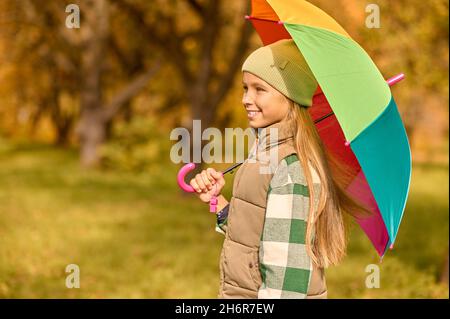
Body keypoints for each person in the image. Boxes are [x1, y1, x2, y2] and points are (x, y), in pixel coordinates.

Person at [189, 39, 371, 299]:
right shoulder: (265, 154)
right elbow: (256, 236)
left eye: (259, 89)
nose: (245, 99)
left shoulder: (291, 169)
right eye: (245, 88)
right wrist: (218, 202)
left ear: (290, 97)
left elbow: (287, 281)